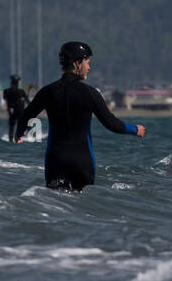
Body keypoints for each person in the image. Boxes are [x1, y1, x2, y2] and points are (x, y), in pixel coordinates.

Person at [15, 41, 145, 191]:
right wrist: (134, 129)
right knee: (82, 206)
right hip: (82, 162)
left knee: (54, 205)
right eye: (87, 63)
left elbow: (27, 114)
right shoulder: (90, 93)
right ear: (78, 63)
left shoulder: (48, 91)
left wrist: (20, 132)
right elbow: (111, 123)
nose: (89, 67)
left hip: (56, 160)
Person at [3, 74, 28, 143]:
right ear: (18, 83)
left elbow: (6, 100)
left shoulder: (6, 91)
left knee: (12, 129)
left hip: (14, 112)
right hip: (18, 112)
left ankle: (12, 139)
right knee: (20, 127)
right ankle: (19, 138)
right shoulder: (20, 91)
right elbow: (27, 101)